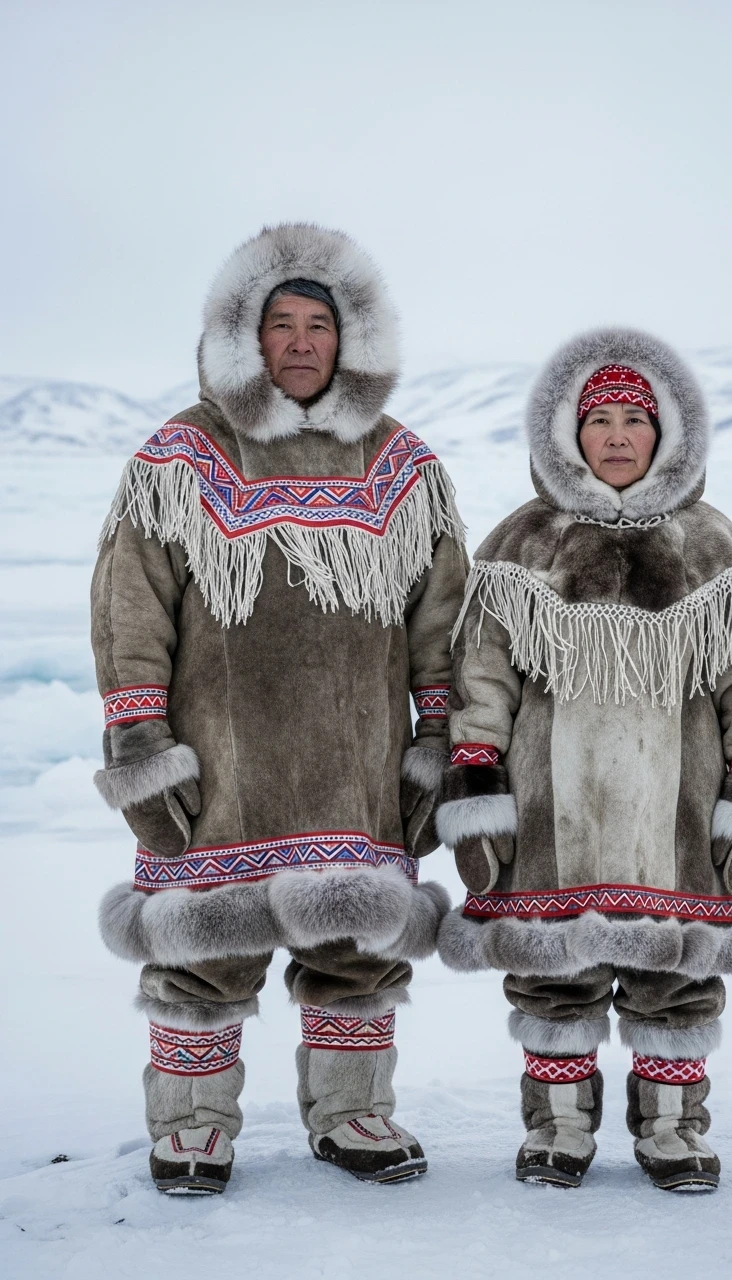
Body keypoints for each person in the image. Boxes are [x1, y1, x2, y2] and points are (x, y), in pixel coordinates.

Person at [92, 223, 468, 1192]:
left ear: (352, 340)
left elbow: (444, 620)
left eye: (319, 325)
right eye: (280, 324)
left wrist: (439, 742)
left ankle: (352, 1108)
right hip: (224, 760)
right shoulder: (181, 455)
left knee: (354, 943)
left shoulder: (401, 464)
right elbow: (129, 610)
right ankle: (193, 1124)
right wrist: (141, 743)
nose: (300, 342)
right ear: (241, 336)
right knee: (206, 949)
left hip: (358, 759)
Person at [436, 330, 732, 1191]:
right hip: (552, 814)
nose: (620, 435)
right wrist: (478, 787)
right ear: (567, 434)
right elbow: (477, 677)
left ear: (669, 433)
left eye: (637, 418)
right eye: (600, 419)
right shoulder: (521, 543)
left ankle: (672, 1131)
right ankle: (558, 1130)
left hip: (673, 818)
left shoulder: (714, 546)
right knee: (553, 980)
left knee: (676, 981)